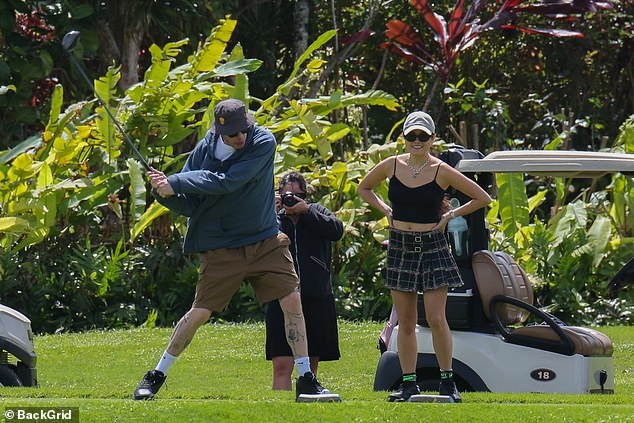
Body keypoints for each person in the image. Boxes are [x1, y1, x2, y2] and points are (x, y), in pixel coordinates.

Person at [133, 98, 337, 402]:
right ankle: (156, 376)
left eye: (244, 130)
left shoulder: (263, 142)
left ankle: (307, 379)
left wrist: (175, 181)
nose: (240, 138)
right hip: (222, 247)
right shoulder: (204, 150)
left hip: (266, 240)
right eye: (233, 135)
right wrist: (163, 191)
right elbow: (190, 203)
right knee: (200, 312)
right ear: (219, 132)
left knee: (292, 299)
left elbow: (229, 182)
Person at [358, 110, 491, 402]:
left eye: (423, 136)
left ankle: (447, 382)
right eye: (411, 136)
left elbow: (483, 197)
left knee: (435, 317)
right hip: (400, 246)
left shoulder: (441, 169)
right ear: (404, 138)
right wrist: (386, 210)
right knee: (406, 321)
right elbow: (364, 188)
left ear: (432, 138)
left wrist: (451, 214)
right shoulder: (391, 165)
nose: (417, 141)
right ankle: (409, 383)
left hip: (432, 245)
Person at [266, 172, 343, 390]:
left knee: (310, 365)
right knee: (281, 364)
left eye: (297, 195)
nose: (292, 200)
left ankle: (307, 396)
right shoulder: (273, 217)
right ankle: (280, 409)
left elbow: (336, 231)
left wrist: (306, 212)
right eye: (286, 195)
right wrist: (271, 209)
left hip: (315, 296)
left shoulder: (316, 211)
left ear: (305, 195)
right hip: (280, 295)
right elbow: (255, 237)